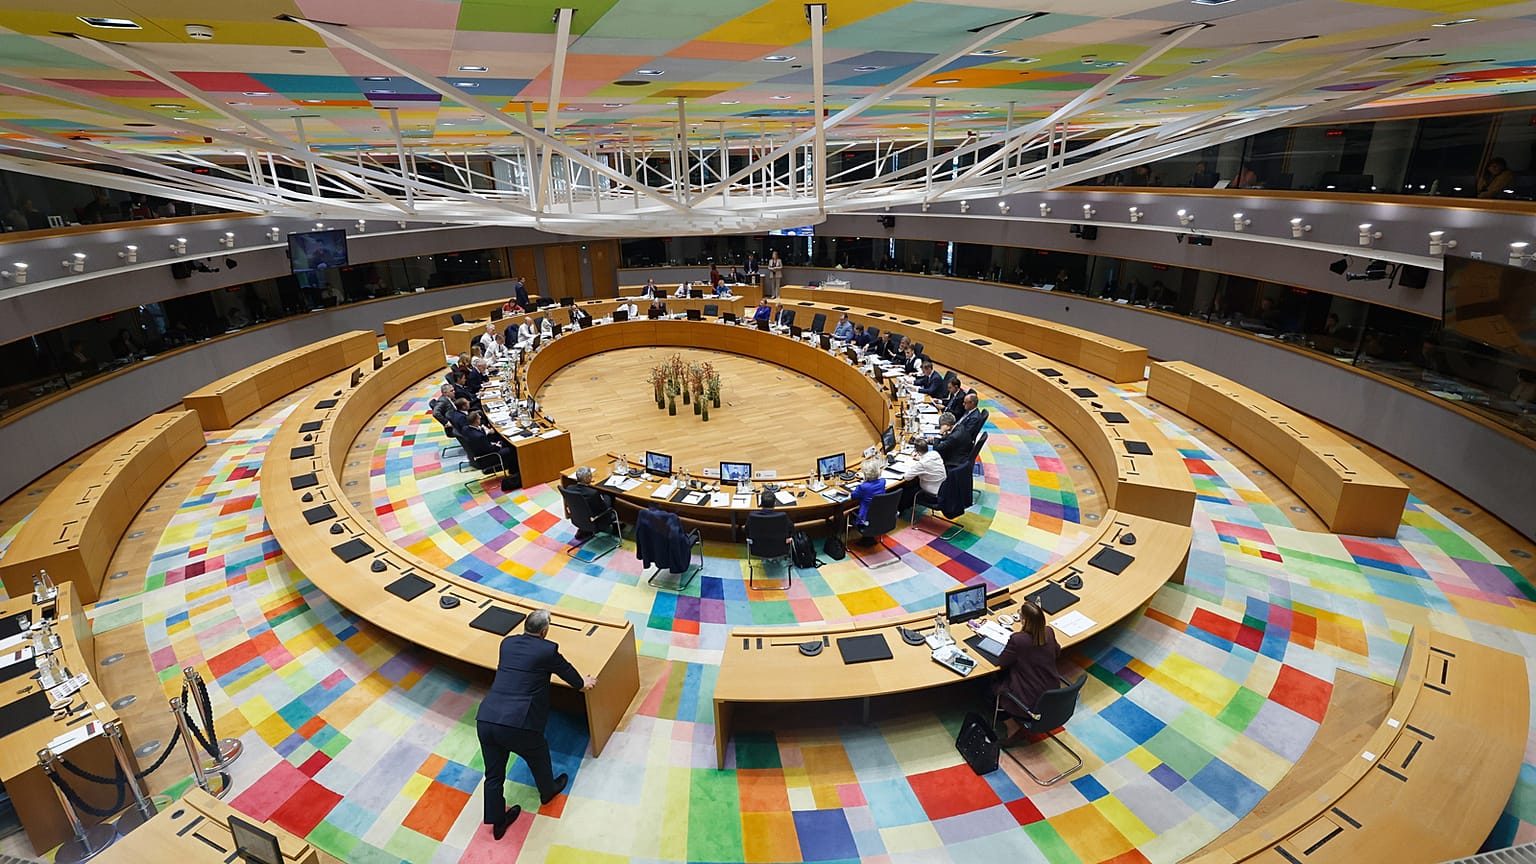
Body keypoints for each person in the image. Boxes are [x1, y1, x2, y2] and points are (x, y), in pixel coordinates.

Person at [476, 609, 596, 840]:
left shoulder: (507, 643)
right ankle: (547, 791)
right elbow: (568, 673)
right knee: (538, 753)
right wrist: (583, 682)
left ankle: (498, 822)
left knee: (493, 776)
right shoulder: (547, 649)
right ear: (544, 631)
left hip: (487, 718)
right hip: (517, 722)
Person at [993, 601, 1061, 743]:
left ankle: (1012, 727)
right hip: (1052, 695)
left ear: (1024, 620)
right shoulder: (1048, 632)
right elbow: (1056, 652)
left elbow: (1003, 662)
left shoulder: (1018, 639)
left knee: (990, 688)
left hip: (1028, 700)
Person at [568, 466, 617, 539]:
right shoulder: (592, 493)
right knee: (609, 496)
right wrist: (606, 496)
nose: (591, 477)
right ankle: (615, 525)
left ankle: (583, 529)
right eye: (590, 476)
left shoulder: (570, 488)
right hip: (595, 521)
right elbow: (603, 508)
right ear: (585, 479)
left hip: (578, 518)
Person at [847, 461, 887, 546]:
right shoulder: (883, 482)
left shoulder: (863, 487)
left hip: (865, 520)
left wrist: (863, 482)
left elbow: (853, 496)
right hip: (881, 516)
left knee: (850, 514)